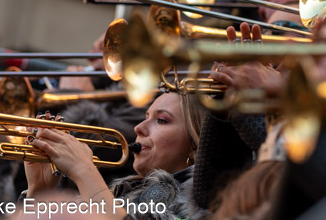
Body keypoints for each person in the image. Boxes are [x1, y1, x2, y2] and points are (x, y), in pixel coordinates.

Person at [24, 92, 205, 220]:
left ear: (196, 146)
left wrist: (83, 170)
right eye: (146, 116)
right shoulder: (119, 194)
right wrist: (39, 190)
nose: (138, 128)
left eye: (162, 120)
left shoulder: (200, 204)